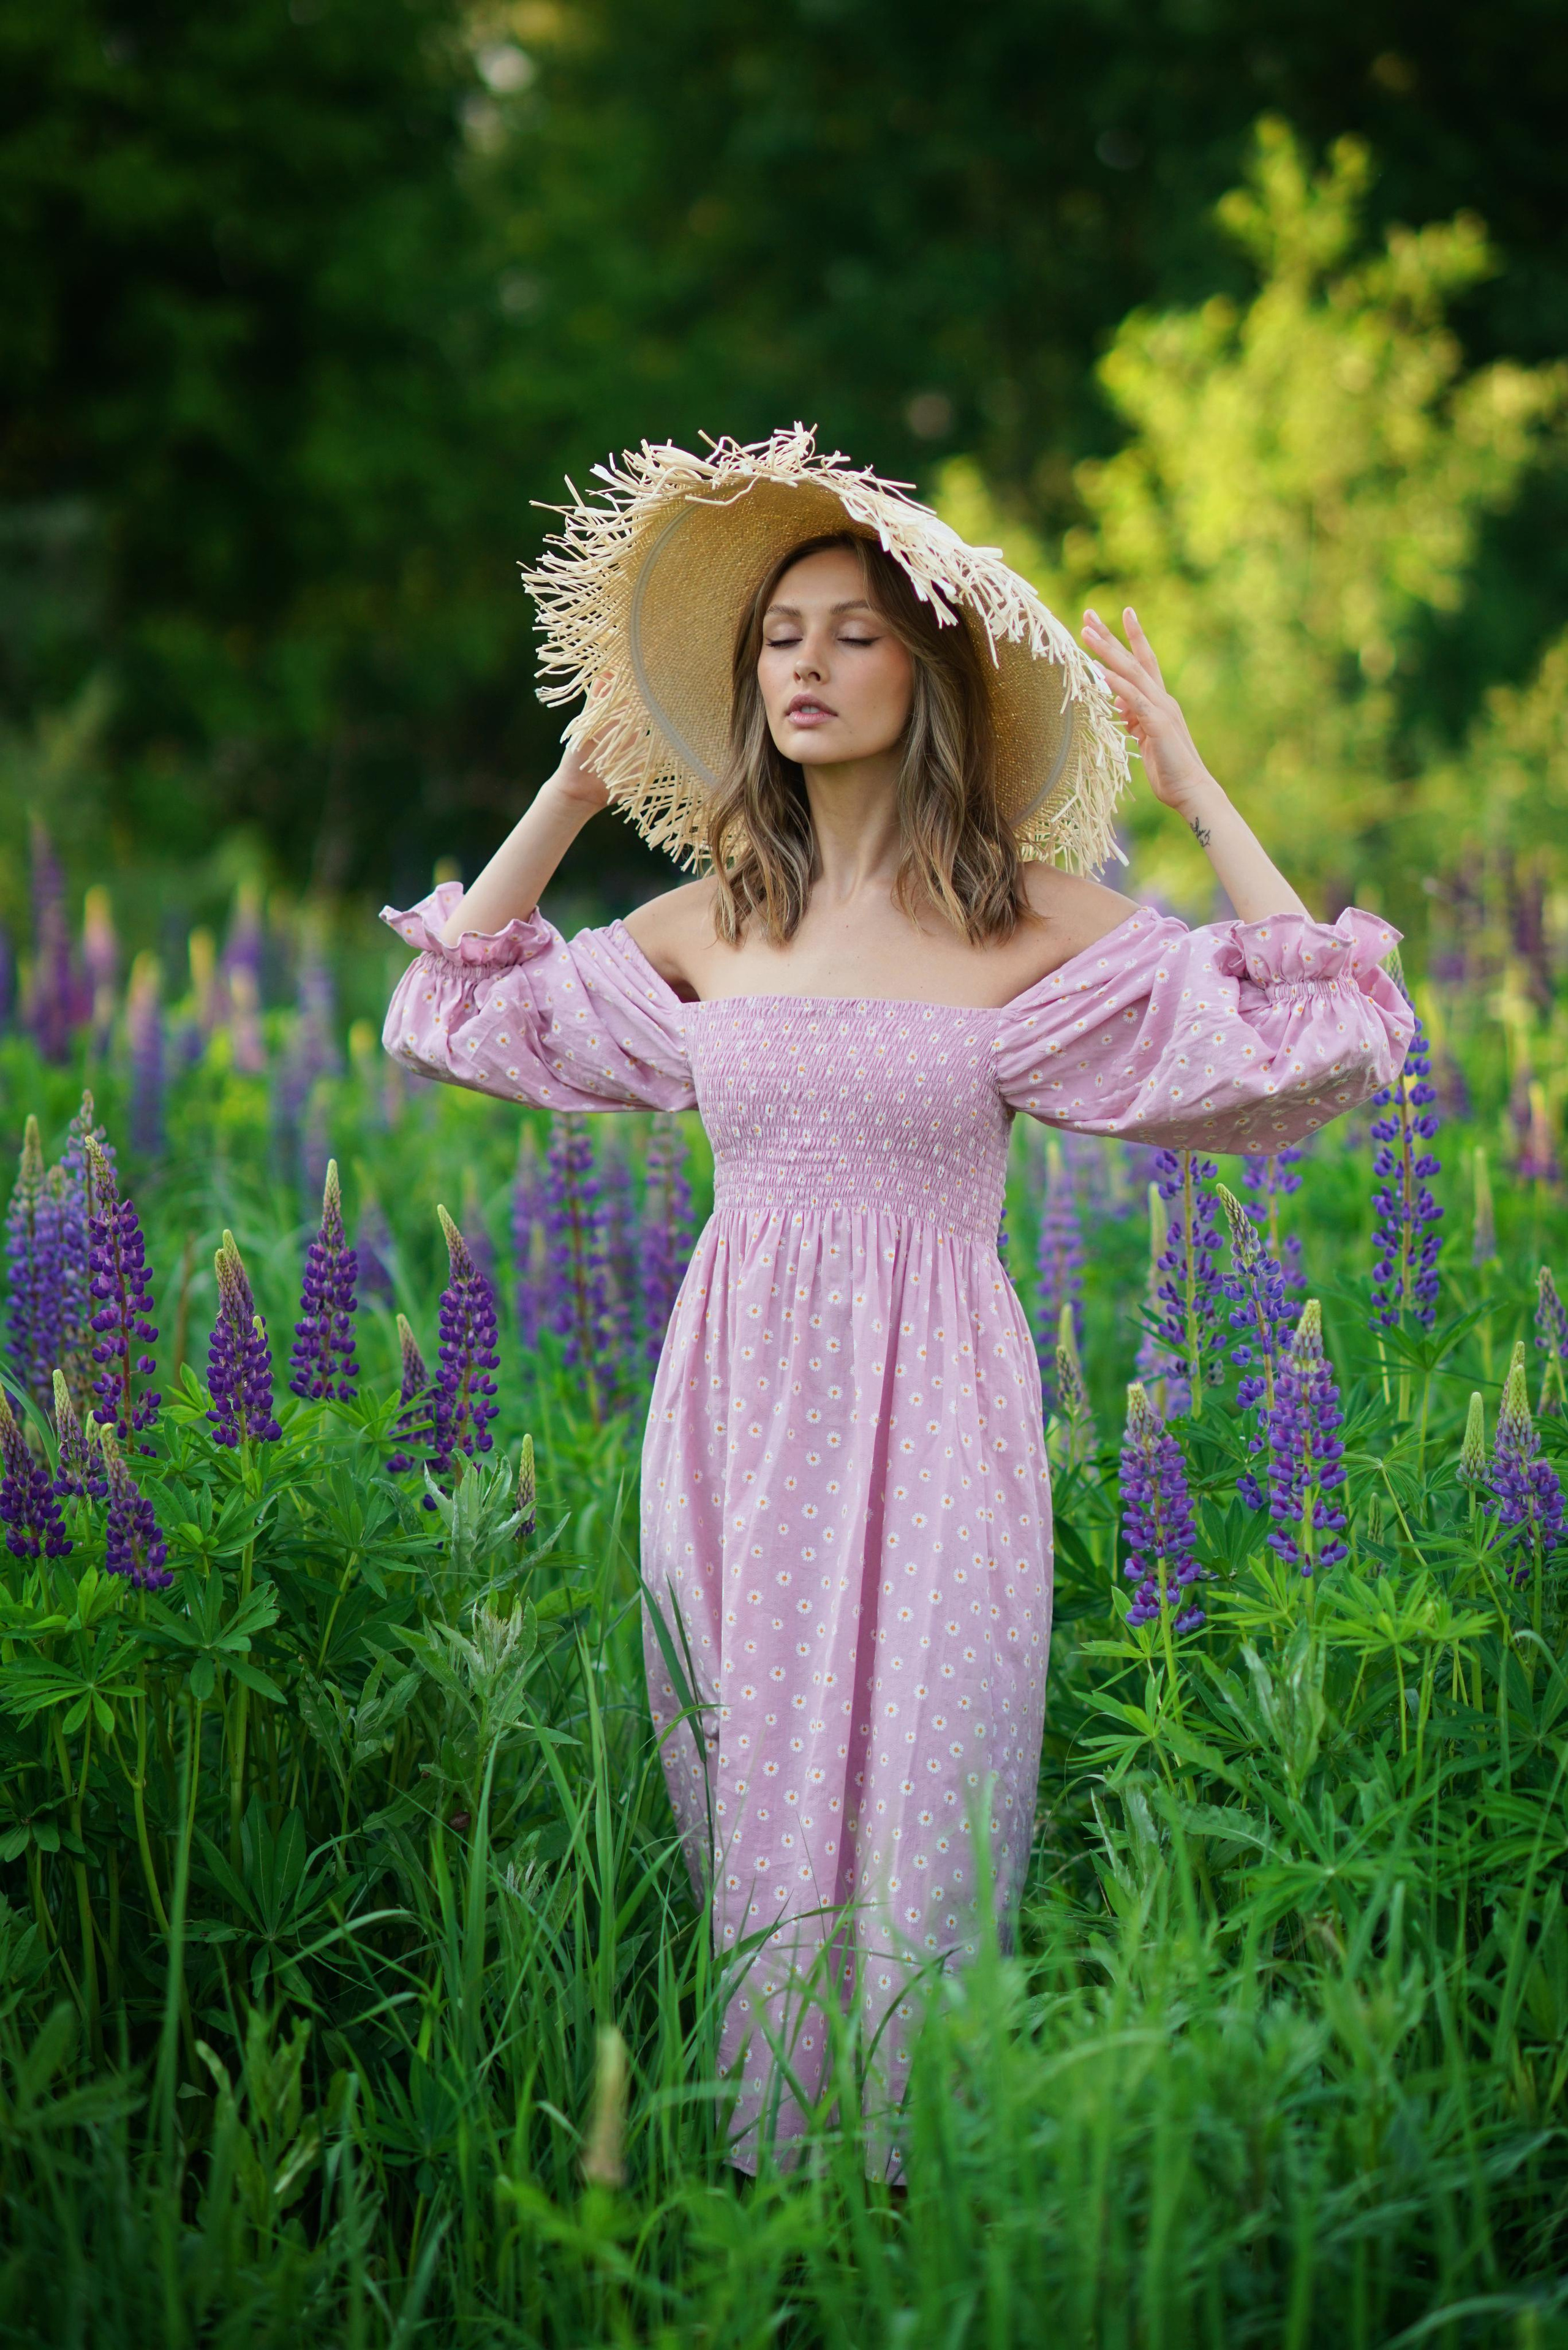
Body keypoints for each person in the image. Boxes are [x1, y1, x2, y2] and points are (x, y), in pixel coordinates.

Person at [381, 429, 1412, 2182]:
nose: (808, 664)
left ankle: (918, 2200)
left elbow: (1328, 1042)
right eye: (781, 634)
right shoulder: (718, 923)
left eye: (857, 632)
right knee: (756, 1813)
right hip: (736, 1416)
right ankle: (767, 2210)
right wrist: (570, 791)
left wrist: (1191, 782)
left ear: (926, 675)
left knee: (931, 1806)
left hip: (937, 1410)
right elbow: (455, 1021)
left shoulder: (1028, 924)